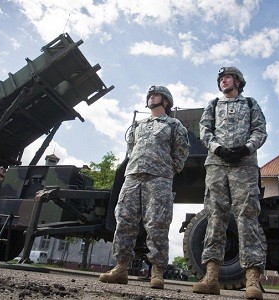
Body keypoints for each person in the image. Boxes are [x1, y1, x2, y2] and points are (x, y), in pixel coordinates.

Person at [98, 85, 189, 289]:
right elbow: (130, 150)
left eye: (156, 95)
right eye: (149, 95)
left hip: (159, 179)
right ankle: (121, 268)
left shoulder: (174, 125)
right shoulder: (138, 126)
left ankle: (157, 271)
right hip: (132, 178)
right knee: (124, 221)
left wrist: (166, 171)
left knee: (157, 223)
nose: (151, 97)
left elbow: (181, 154)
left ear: (165, 101)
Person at [194, 66, 267, 299]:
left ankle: (253, 280)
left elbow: (260, 130)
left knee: (248, 217)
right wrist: (218, 149)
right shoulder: (213, 105)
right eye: (221, 79)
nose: (223, 81)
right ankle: (211, 277)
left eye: (227, 77)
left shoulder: (250, 104)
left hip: (244, 166)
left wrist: (247, 148)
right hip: (216, 165)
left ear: (238, 81)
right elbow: (204, 130)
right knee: (215, 217)